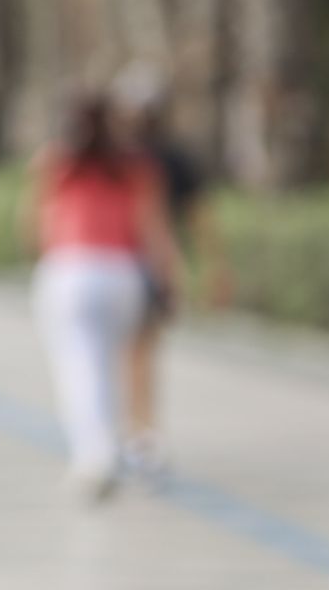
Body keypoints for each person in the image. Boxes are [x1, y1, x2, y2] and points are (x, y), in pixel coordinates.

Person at [24, 89, 181, 500]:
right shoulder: (136, 168)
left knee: (77, 364)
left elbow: (33, 229)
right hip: (122, 274)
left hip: (69, 269)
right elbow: (155, 233)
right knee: (115, 364)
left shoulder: (55, 163)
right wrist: (169, 282)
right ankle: (119, 445)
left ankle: (94, 457)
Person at [110, 63, 232, 480]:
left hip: (141, 263)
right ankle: (136, 432)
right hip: (134, 262)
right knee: (136, 351)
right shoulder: (123, 156)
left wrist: (214, 268)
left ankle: (137, 432)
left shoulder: (159, 158)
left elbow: (199, 218)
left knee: (136, 350)